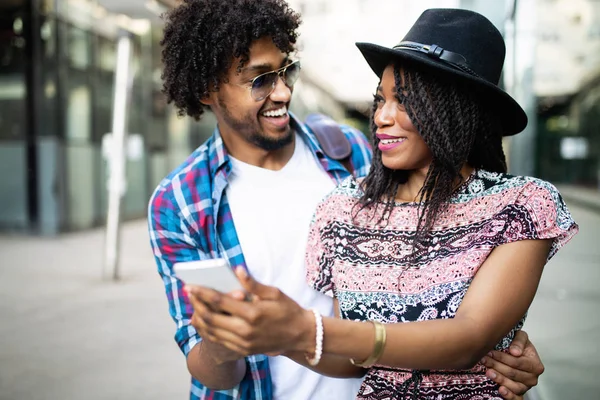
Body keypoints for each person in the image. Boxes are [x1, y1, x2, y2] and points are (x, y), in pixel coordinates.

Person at [149, 1, 547, 399]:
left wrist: (499, 341)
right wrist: (230, 340)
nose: (284, 91)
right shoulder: (180, 203)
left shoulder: (354, 154)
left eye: (287, 71)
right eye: (260, 80)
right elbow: (208, 367)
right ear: (206, 90)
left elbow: (450, 306)